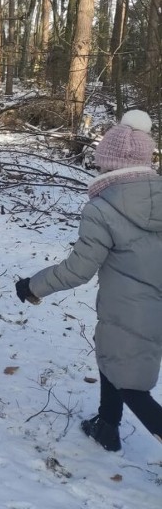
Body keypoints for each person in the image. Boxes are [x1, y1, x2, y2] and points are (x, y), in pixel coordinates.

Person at [16, 110, 162, 454]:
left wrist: (33, 286)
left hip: (131, 309)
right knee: (112, 355)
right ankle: (106, 425)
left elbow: (79, 269)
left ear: (109, 163)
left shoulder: (102, 208)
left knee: (133, 386)